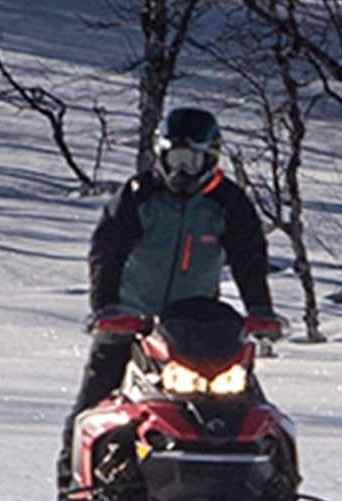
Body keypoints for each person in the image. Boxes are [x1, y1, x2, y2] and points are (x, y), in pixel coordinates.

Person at [69, 105, 283, 478]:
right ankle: (74, 500)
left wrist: (260, 311)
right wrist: (106, 308)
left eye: (191, 159)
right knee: (92, 407)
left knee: (254, 409)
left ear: (211, 158)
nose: (181, 170)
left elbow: (249, 259)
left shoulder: (228, 202)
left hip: (198, 327)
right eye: (174, 158)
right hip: (132, 322)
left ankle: (271, 487)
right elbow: (107, 250)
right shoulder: (138, 196)